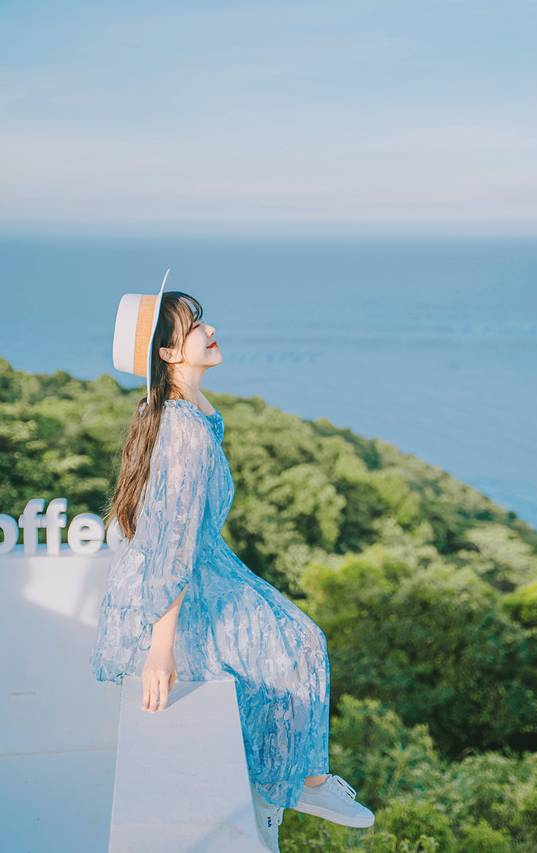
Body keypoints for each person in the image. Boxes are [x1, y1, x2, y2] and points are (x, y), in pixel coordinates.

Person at [89, 273, 374, 852]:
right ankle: (293, 786)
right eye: (195, 327)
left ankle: (282, 785)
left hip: (205, 564)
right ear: (168, 354)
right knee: (297, 643)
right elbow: (171, 542)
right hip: (183, 577)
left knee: (294, 640)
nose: (210, 329)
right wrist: (161, 647)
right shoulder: (183, 431)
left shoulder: (181, 406)